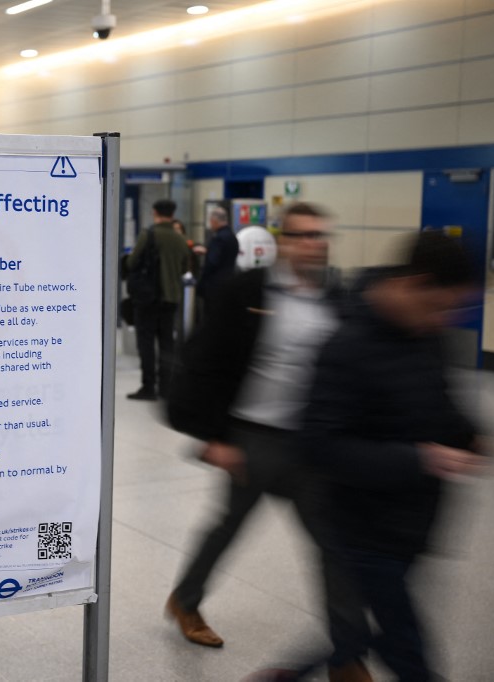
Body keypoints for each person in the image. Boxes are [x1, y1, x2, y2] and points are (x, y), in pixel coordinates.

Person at [166, 203, 370, 681]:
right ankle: (185, 601)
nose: (312, 243)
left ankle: (346, 655)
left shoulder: (337, 298)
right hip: (252, 437)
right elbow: (203, 364)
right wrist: (214, 438)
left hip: (312, 445)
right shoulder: (245, 292)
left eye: (319, 235)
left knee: (334, 546)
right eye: (301, 235)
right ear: (282, 240)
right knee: (228, 527)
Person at [301, 230, 485, 681]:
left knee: (365, 634)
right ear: (413, 283)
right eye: (440, 305)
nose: (445, 318)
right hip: (361, 528)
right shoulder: (347, 345)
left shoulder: (425, 335)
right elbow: (320, 447)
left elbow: (438, 403)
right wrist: (418, 459)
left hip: (411, 523)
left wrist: (470, 436)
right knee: (407, 651)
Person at [124, 199, 190, 400]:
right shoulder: (180, 239)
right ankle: (165, 388)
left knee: (146, 343)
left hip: (148, 299)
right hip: (171, 299)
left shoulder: (149, 234)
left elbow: (132, 261)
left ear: (155, 212)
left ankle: (148, 387)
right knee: (167, 343)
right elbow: (185, 268)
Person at [195, 206, 238, 310]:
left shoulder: (218, 238)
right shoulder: (232, 236)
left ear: (214, 220)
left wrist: (202, 283)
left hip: (215, 285)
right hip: (229, 282)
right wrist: (208, 251)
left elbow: (212, 262)